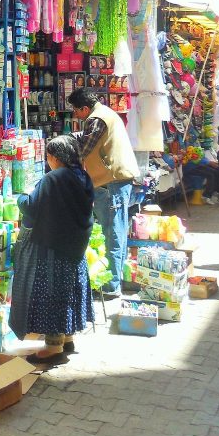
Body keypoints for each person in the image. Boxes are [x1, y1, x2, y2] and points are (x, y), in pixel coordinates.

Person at [9, 135, 95, 363]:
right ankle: (67, 338)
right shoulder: (83, 176)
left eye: (48, 156)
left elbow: (31, 207)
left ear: (55, 157)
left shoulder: (53, 179)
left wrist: (22, 196)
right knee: (68, 292)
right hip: (75, 246)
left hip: (53, 248)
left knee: (52, 294)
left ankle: (53, 348)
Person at [68, 88, 140, 298]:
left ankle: (111, 286)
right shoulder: (105, 114)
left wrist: (64, 147)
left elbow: (84, 148)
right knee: (117, 230)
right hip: (115, 180)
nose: (75, 115)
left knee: (112, 233)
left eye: (76, 110)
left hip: (111, 182)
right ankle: (116, 280)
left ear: (84, 108)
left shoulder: (97, 119)